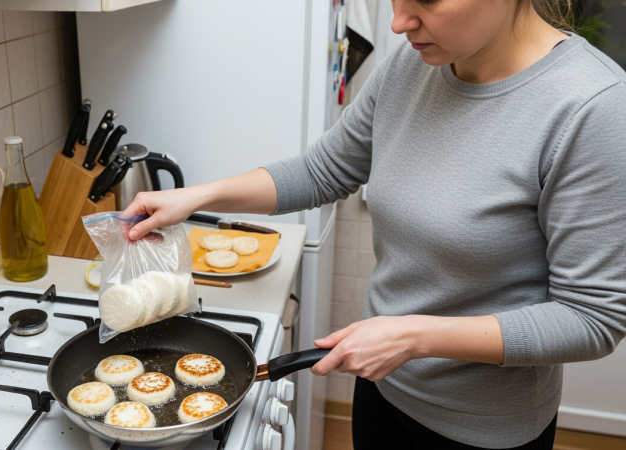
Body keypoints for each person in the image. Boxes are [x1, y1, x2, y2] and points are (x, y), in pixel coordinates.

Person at [124, 0, 626, 448]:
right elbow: (322, 171)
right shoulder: (415, 62)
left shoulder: (592, 108)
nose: (399, 21)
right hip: (383, 387)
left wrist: (412, 338)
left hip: (483, 428)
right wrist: (196, 196)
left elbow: (591, 319)